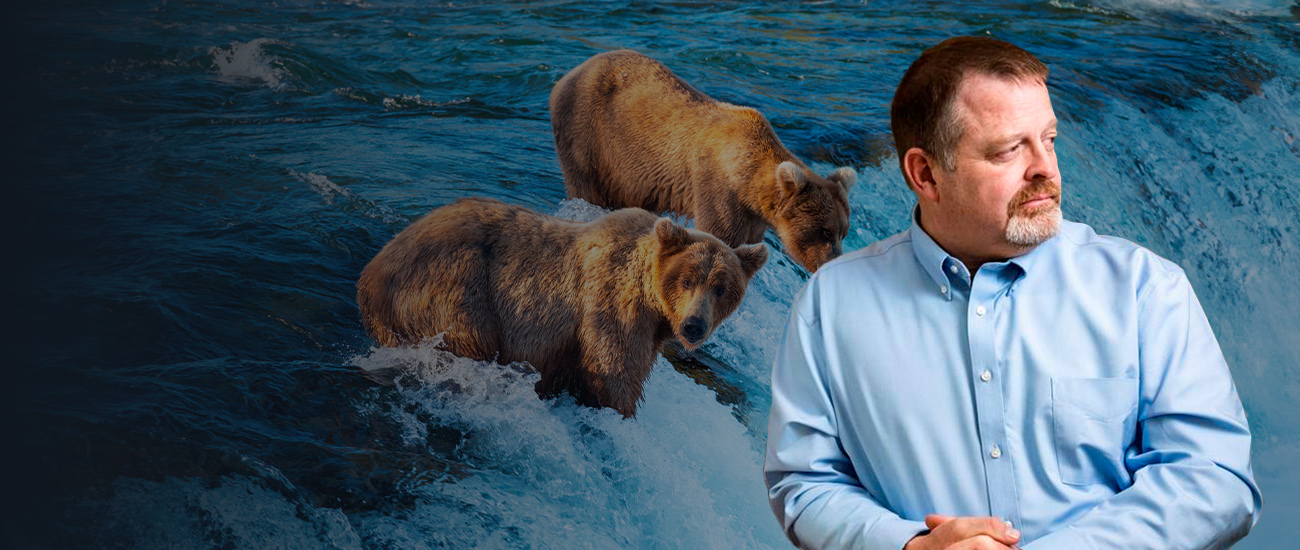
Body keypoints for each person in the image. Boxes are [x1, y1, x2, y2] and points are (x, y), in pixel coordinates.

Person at [763, 36, 1261, 550]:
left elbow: (1216, 479)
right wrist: (910, 546)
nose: (1044, 166)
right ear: (925, 174)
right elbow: (803, 483)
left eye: (1049, 138)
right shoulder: (832, 303)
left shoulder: (1144, 288)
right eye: (1009, 149)